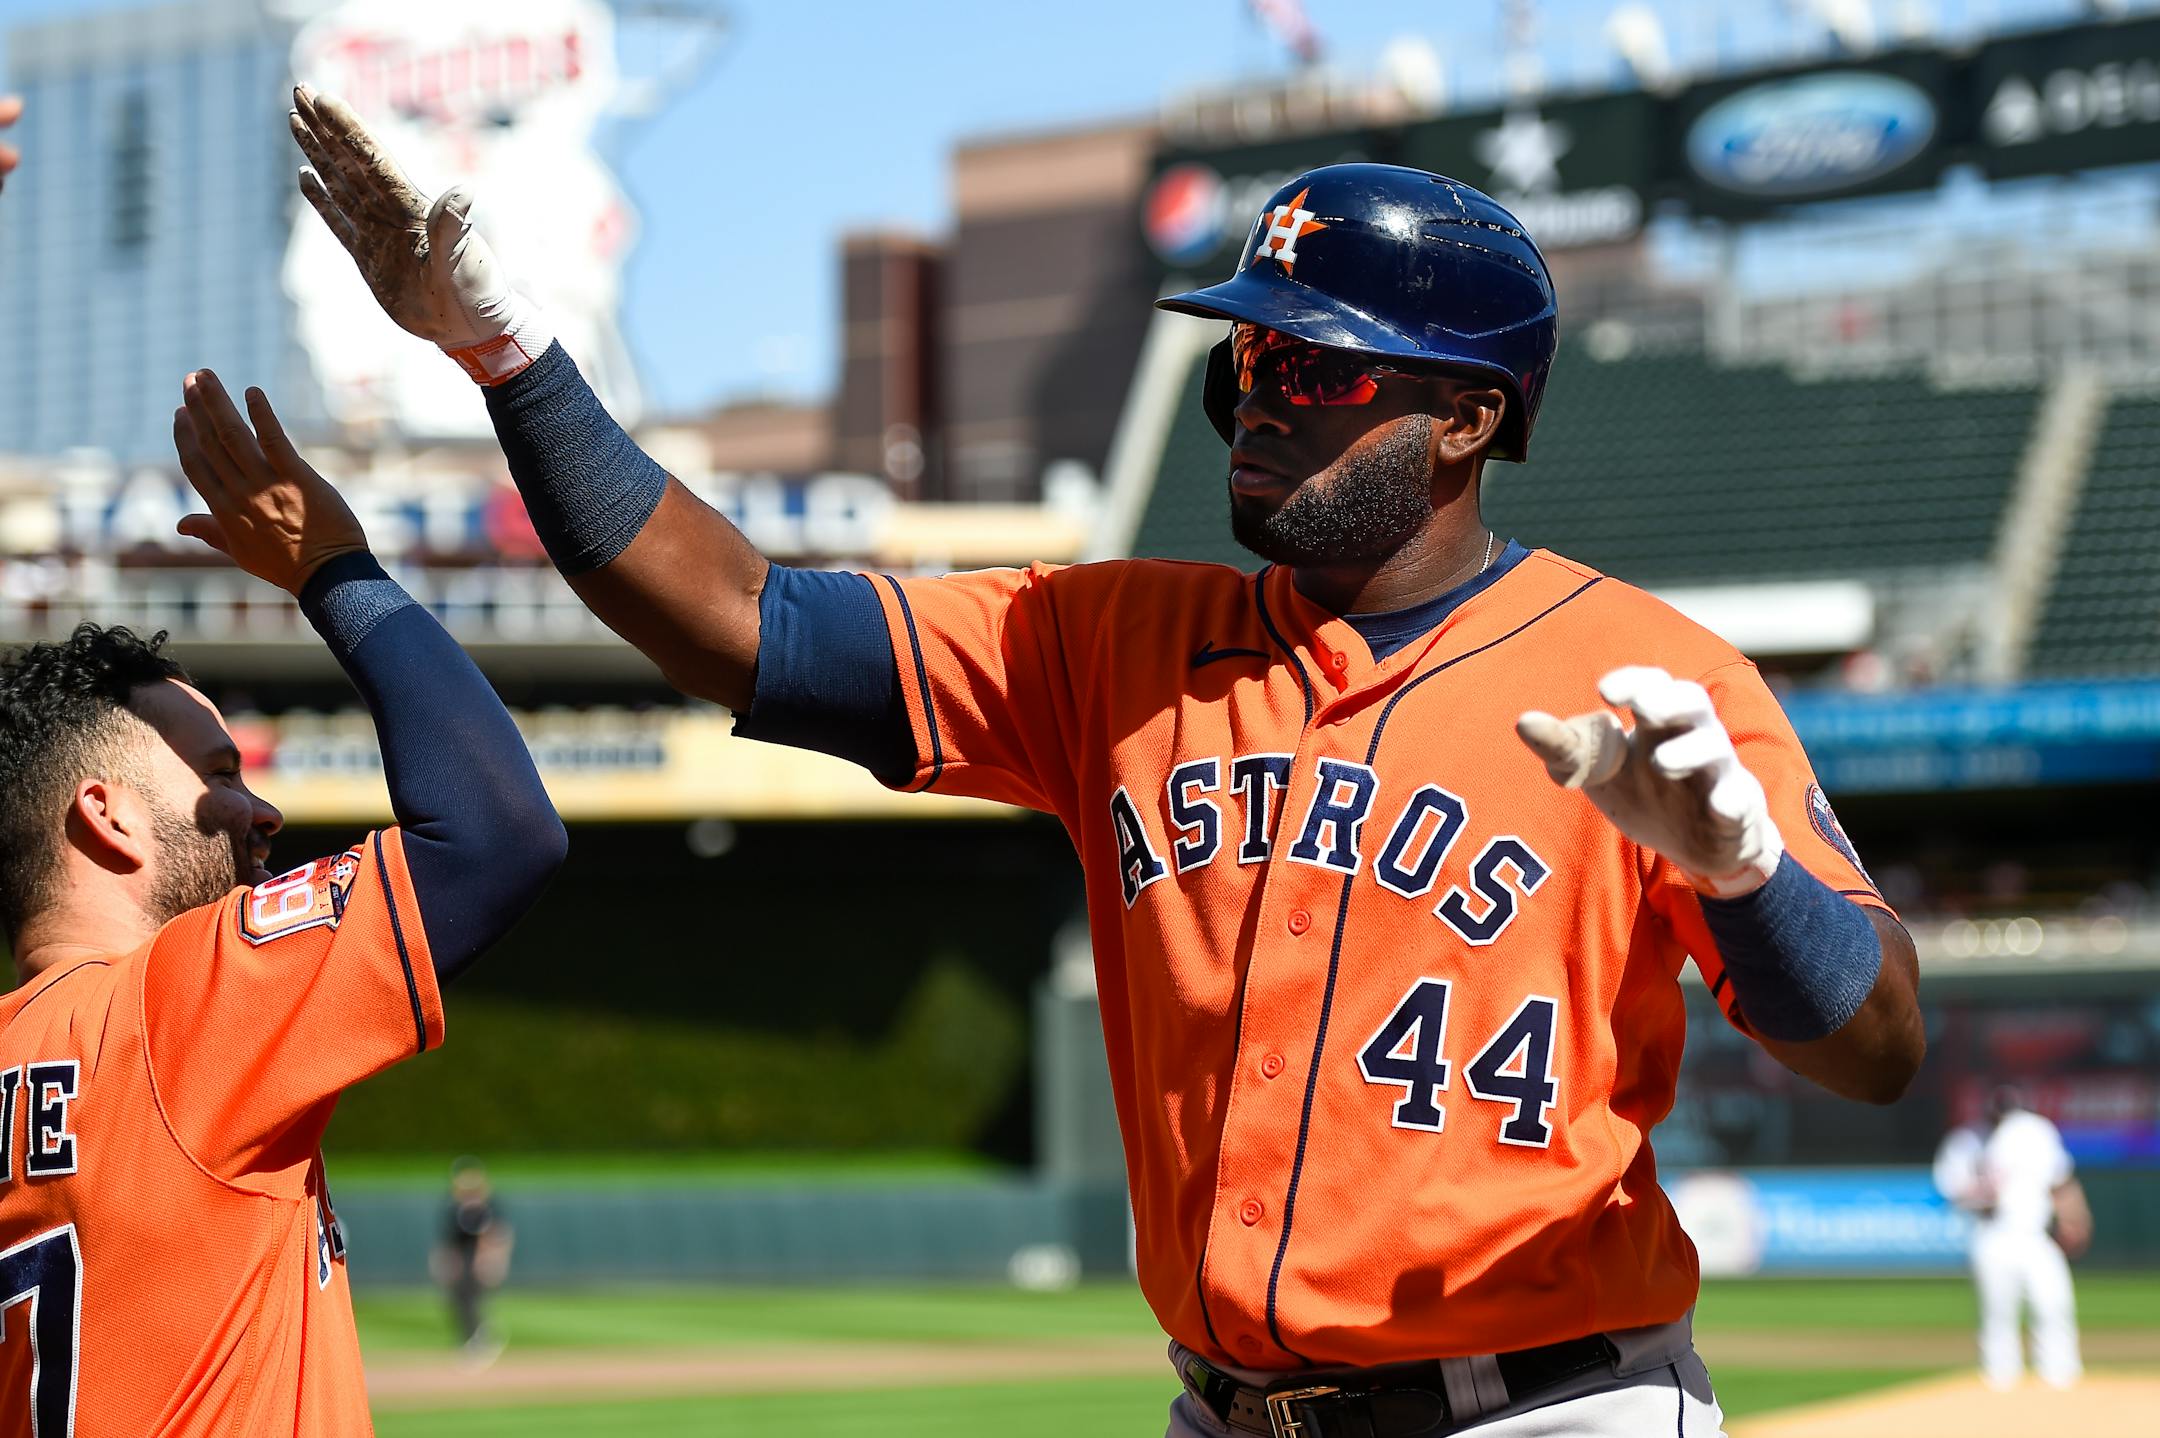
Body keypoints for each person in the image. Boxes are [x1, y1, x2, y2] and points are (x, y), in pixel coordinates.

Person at [292, 90, 1924, 1438]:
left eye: (1319, 369)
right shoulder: (1112, 643)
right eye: (1246, 367)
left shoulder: (1651, 682)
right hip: (1219, 1411)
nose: (1261, 405)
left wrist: (1749, 877)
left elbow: (1876, 1047)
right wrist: (510, 358)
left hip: (1542, 1412)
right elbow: (741, 624)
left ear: (1470, 420)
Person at [0, 125, 566, 1429]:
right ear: (104, 817)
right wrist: (336, 570)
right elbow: (495, 833)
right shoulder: (176, 1011)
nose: (256, 806)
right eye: (210, 770)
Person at [1933, 1086, 2090, 1390]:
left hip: (2036, 1234)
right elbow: (1951, 1189)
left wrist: (2075, 1218)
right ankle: (1999, 1380)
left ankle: (2061, 1378)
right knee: (1998, 1312)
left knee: (2053, 1303)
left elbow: (2061, 1180)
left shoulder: (2035, 1133)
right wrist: (1983, 1195)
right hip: (1994, 1233)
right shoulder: (1967, 1141)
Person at [434, 1157, 514, 1357]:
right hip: (462, 1261)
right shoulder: (455, 1209)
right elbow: (449, 1241)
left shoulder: (488, 1207)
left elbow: (497, 1235)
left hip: (478, 1261)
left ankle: (481, 1336)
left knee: (472, 1299)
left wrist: (494, 1260)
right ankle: (471, 1337)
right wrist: (444, 1260)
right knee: (457, 1299)